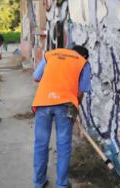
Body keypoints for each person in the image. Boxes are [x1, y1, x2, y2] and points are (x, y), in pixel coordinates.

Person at [32, 45, 92, 188]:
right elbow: (81, 92)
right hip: (65, 105)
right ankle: (62, 185)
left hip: (43, 101)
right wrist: (75, 109)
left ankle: (39, 182)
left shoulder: (51, 54)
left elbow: (36, 76)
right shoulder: (83, 62)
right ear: (85, 56)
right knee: (63, 145)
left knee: (41, 143)